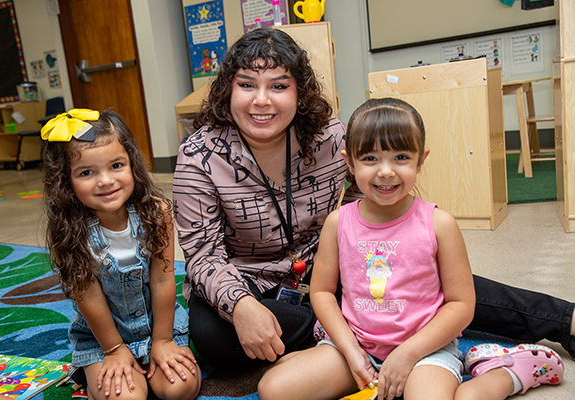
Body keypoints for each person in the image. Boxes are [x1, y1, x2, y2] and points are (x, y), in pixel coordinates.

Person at [173, 28, 575, 369]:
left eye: (279, 86)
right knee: (211, 335)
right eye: (247, 85)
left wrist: (393, 258)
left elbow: (367, 198)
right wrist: (241, 305)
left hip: (333, 269)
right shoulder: (200, 155)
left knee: (422, 272)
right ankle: (373, 328)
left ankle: (565, 321)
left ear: (299, 91)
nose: (262, 100)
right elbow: (203, 255)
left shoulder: (331, 137)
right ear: (228, 89)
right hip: (247, 282)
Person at [257, 98, 564, 400]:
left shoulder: (439, 224)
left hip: (425, 351)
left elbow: (461, 304)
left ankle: (507, 370)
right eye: (370, 159)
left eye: (401, 157)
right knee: (273, 390)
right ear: (349, 161)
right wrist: (350, 350)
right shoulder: (338, 223)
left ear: (421, 159)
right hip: (356, 346)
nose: (386, 171)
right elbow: (322, 292)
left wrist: (408, 354)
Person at [42, 109, 201, 400]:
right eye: (87, 172)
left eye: (116, 165)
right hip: (102, 338)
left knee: (181, 388)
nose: (105, 181)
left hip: (158, 326)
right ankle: (90, 377)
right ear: (66, 180)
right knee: (126, 397)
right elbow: (87, 296)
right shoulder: (65, 230)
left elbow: (164, 281)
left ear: (132, 163)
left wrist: (163, 340)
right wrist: (114, 350)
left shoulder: (157, 212)